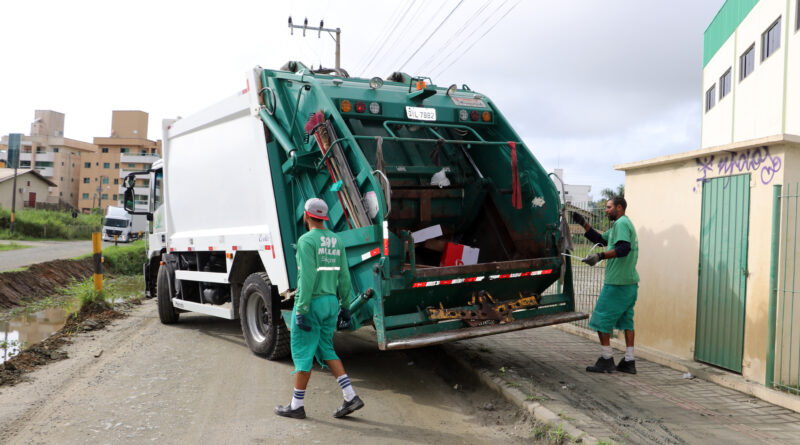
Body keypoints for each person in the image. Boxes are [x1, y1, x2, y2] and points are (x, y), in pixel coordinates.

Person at [275, 198, 364, 419]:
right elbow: (344, 276)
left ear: (306, 215)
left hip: (311, 303)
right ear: (324, 217)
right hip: (331, 303)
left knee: (303, 353)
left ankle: (296, 405)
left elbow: (306, 277)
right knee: (326, 349)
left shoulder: (306, 241)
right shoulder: (337, 241)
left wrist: (302, 308)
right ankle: (350, 396)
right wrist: (345, 306)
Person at [571, 196, 639, 374]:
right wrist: (583, 223)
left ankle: (607, 359)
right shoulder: (619, 225)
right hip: (630, 284)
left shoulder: (622, 224)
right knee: (626, 322)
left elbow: (624, 249)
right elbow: (600, 239)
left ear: (619, 207)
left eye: (609, 207)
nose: (606, 210)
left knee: (600, 320)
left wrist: (600, 256)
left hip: (616, 284)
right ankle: (629, 361)